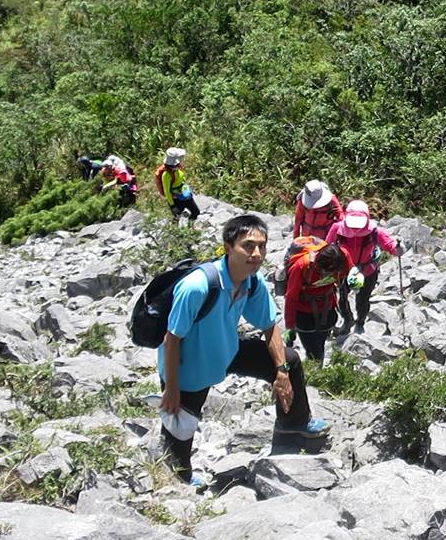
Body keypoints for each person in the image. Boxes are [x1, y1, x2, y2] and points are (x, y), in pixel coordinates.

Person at [158, 213, 325, 483]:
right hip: (191, 364)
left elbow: (269, 326)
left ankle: (293, 426)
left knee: (290, 360)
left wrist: (280, 372)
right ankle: (180, 476)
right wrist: (172, 388)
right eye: (248, 246)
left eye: (262, 246)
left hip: (226, 349)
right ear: (227, 248)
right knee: (180, 427)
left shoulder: (251, 281)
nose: (256, 254)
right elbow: (171, 340)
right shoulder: (197, 287)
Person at [325, 200, 401, 336]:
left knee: (363, 300)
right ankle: (347, 320)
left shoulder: (375, 231)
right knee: (342, 299)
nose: (355, 229)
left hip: (367, 271)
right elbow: (327, 247)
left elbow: (389, 244)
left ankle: (360, 322)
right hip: (344, 271)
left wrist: (397, 249)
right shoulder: (337, 228)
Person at [283, 237, 349, 363]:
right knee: (313, 351)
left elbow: (349, 266)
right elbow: (291, 297)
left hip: (327, 309)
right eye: (324, 272)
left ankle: (316, 369)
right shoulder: (302, 266)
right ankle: (315, 373)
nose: (327, 275)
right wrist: (290, 326)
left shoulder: (340, 259)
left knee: (321, 344)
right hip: (303, 315)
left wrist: (355, 275)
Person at [154, 147, 200, 221]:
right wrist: (172, 206)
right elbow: (167, 191)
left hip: (184, 193)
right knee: (176, 218)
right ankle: (175, 231)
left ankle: (190, 228)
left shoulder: (177, 168)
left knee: (196, 212)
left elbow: (182, 179)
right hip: (176, 199)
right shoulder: (166, 175)